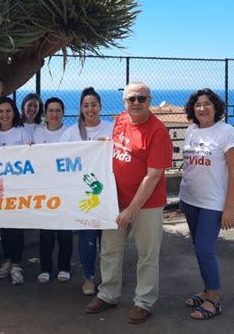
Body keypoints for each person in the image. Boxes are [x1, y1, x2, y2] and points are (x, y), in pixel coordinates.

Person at [85, 82, 173, 325]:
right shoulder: (122, 119)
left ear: (149, 100)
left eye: (141, 99)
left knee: (147, 255)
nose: (136, 103)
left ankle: (143, 302)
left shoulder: (158, 131)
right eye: (131, 99)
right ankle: (108, 294)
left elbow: (153, 175)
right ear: (124, 102)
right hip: (115, 200)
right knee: (110, 250)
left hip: (147, 205)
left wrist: (131, 210)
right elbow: (117, 149)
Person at [179, 88, 234, 320]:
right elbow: (189, 167)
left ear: (216, 107)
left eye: (207, 104)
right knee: (199, 248)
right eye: (197, 104)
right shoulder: (191, 131)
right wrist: (184, 199)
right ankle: (206, 290)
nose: (202, 108)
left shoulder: (227, 132)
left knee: (205, 249)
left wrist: (229, 207)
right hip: (190, 200)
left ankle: (214, 299)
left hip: (213, 203)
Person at [60, 87, 114, 295]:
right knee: (88, 237)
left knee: (109, 239)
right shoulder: (71, 133)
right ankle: (89, 278)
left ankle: (109, 279)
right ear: (80, 109)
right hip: (83, 195)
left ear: (100, 106)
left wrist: (111, 145)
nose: (90, 109)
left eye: (93, 105)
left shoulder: (112, 128)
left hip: (109, 192)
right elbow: (59, 159)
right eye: (85, 105)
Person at [0, 96, 31, 285]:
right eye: (0, 111)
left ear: (14, 112)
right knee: (3, 226)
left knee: (16, 227)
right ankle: (7, 260)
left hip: (18, 188)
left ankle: (17, 265)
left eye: (8, 111)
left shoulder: (22, 132)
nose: (4, 115)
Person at [34, 97, 72, 284]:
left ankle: (65, 267)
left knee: (65, 232)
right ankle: (45, 269)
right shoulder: (37, 132)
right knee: (46, 233)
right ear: (45, 114)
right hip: (44, 189)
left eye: (58, 110)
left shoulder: (71, 132)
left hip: (65, 189)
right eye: (51, 110)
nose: (54, 114)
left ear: (63, 113)